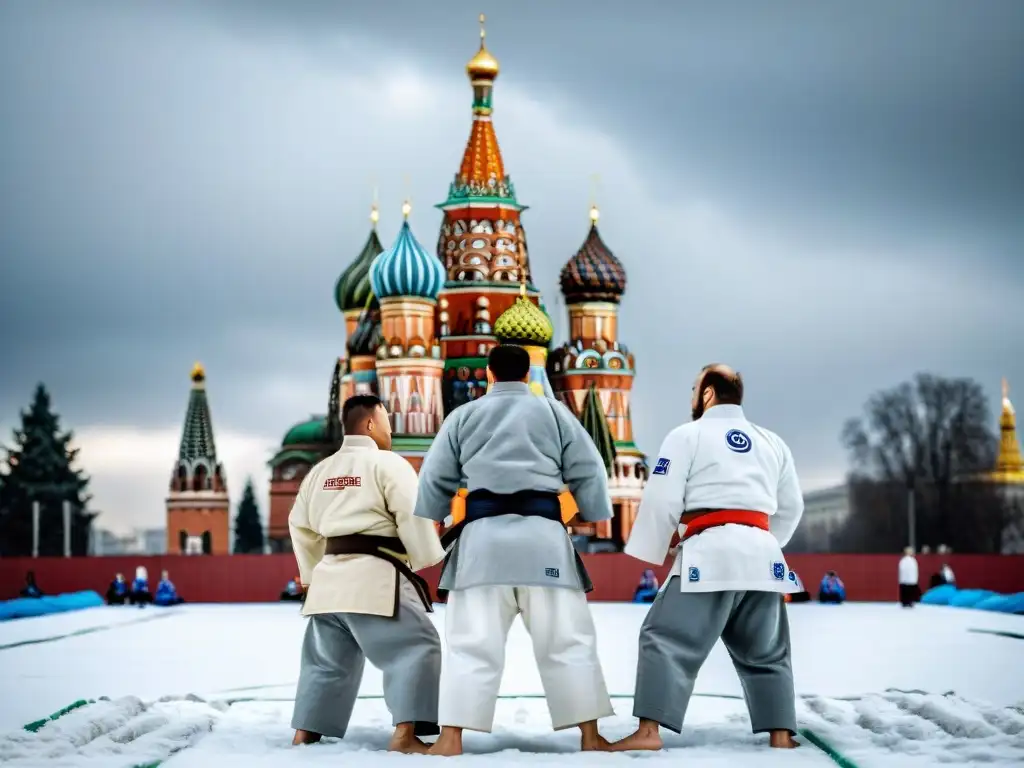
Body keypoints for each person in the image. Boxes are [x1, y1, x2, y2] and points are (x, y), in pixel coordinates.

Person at [414, 344, 616, 756]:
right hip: (544, 543)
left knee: (471, 643)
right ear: (528, 375)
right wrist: (592, 514)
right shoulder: (554, 413)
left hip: (482, 546)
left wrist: (433, 516)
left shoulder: (464, 416)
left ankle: (450, 739)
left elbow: (434, 478)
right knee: (568, 642)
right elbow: (590, 467)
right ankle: (591, 737)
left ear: (489, 374)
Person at [612, 363, 804, 752]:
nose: (692, 396)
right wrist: (765, 543)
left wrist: (652, 548)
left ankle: (649, 732)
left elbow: (663, 497)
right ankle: (781, 734)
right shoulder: (771, 441)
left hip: (710, 551)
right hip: (763, 558)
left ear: (708, 394)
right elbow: (792, 507)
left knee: (665, 638)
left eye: (694, 388)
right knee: (767, 649)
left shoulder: (688, 435)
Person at [288, 394, 446, 754]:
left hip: (329, 585)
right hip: (375, 578)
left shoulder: (320, 471)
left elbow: (300, 525)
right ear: (371, 424)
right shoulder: (388, 464)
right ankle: (405, 736)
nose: (391, 429)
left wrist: (312, 575)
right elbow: (413, 514)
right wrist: (427, 554)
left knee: (326, 662)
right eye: (387, 421)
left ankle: (304, 734)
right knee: (415, 647)